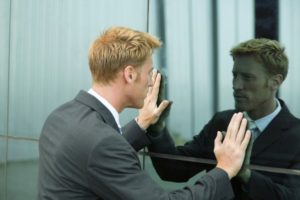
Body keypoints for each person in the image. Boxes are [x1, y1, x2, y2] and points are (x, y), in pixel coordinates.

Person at [38, 26, 251, 200]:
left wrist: (141, 123)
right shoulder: (102, 143)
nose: (152, 81)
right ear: (130, 74)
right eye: (149, 73)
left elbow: (93, 157)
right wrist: (224, 169)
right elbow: (102, 150)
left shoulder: (60, 116)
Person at [141, 38, 300, 200]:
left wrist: (245, 175)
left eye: (247, 77)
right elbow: (173, 171)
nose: (236, 85)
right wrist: (157, 127)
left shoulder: (297, 136)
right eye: (235, 75)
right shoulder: (222, 121)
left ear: (275, 82)